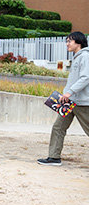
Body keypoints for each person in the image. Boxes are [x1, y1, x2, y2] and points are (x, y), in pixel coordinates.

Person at [38, 31, 89, 166]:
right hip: (70, 102)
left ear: (78, 42)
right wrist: (66, 94)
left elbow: (85, 78)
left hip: (82, 102)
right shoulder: (77, 57)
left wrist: (69, 92)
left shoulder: (85, 56)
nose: (67, 44)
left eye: (69, 41)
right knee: (58, 127)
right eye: (66, 41)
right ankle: (54, 157)